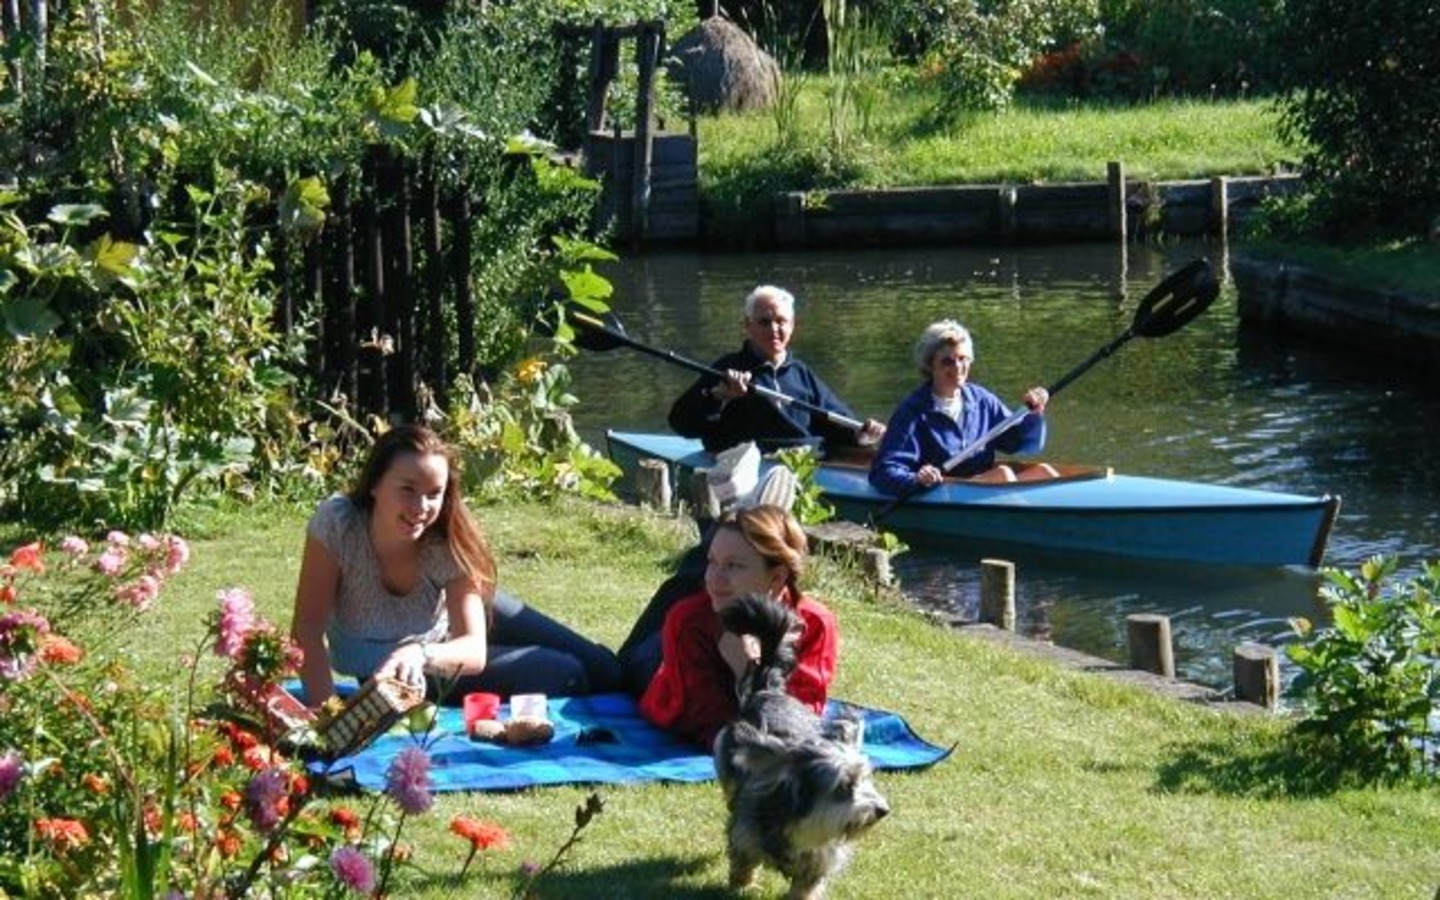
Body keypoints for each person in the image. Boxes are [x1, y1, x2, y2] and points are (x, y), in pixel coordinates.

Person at [290, 424, 621, 707]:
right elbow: (306, 629)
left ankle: (665, 667)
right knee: (566, 673)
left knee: (607, 670)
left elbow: (472, 648)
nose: (421, 507)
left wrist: (420, 652)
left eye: (434, 493)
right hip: (403, 672)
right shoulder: (338, 524)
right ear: (375, 484)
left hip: (444, 635)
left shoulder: (444, 538)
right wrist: (328, 717)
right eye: (408, 489)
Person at [636, 504, 839, 748]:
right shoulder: (688, 620)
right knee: (616, 671)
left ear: (777, 577)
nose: (714, 578)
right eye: (711, 562)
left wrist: (747, 671)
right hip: (656, 675)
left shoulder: (814, 623)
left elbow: (799, 724)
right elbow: (708, 726)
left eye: (733, 566)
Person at [668, 284, 886, 454]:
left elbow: (836, 421)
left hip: (806, 461)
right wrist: (718, 397)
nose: (774, 329)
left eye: (781, 321)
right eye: (764, 322)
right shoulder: (728, 368)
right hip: (752, 462)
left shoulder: (801, 373)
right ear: (748, 325)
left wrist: (862, 434)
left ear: (792, 326)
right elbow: (682, 424)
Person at [869, 319, 1054, 495]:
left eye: (963, 358)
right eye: (947, 361)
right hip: (943, 493)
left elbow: (1022, 445)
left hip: (983, 488)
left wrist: (1033, 414)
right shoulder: (913, 412)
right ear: (930, 365)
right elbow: (883, 472)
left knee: (1044, 472)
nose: (958, 367)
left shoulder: (982, 400)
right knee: (1003, 474)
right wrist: (916, 479)